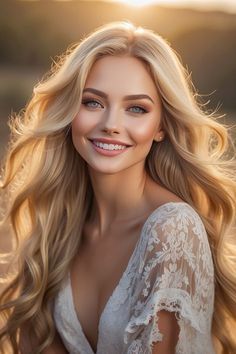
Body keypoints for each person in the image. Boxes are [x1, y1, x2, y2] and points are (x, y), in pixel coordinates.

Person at [0, 20, 235, 354]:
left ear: (161, 127)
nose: (111, 125)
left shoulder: (172, 231)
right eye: (93, 102)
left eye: (136, 109)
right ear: (69, 111)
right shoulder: (60, 223)